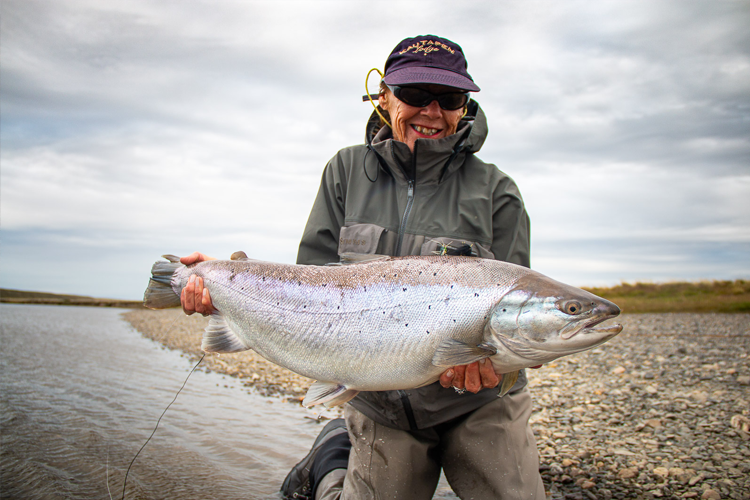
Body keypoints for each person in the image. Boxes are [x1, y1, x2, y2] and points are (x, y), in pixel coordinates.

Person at [181, 35, 545, 500]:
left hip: (479, 402)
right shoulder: (346, 170)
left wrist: (492, 365)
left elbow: (519, 300)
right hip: (379, 403)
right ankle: (332, 461)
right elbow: (309, 284)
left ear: (464, 106)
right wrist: (217, 283)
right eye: (415, 95)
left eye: (449, 98)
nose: (432, 112)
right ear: (384, 97)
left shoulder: (498, 191)